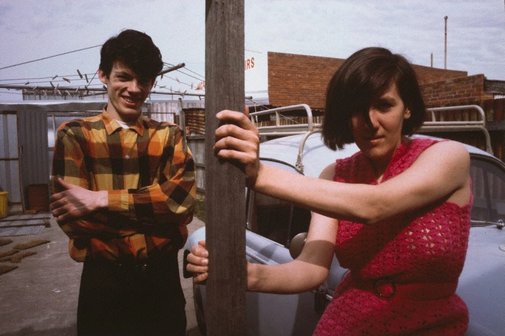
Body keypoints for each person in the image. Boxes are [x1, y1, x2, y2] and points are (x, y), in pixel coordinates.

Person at [187, 47, 472, 335]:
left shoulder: (448, 157)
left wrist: (259, 173)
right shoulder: (336, 175)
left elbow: (375, 205)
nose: (371, 122)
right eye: (357, 110)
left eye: (384, 105)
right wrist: (242, 274)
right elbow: (311, 268)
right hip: (348, 324)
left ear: (407, 107)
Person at [50, 29, 195, 336]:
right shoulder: (75, 135)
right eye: (124, 77)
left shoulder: (169, 136)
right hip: (104, 286)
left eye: (144, 80)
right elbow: (76, 223)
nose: (134, 88)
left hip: (161, 284)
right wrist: (157, 214)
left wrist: (101, 200)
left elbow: (181, 205)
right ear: (103, 75)